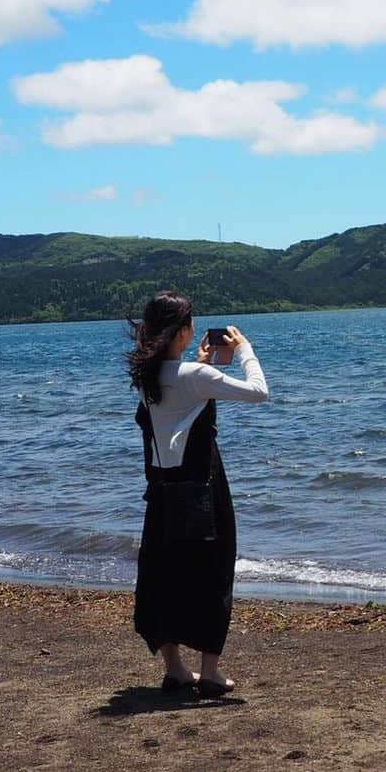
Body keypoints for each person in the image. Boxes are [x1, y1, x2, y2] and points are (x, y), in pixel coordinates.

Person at [126, 291, 269, 697]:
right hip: (203, 487)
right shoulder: (195, 377)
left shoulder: (147, 375)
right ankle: (209, 671)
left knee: (163, 573)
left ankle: (174, 667)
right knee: (214, 569)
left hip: (162, 489)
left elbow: (176, 399)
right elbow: (259, 392)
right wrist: (245, 350)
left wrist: (201, 365)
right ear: (183, 331)